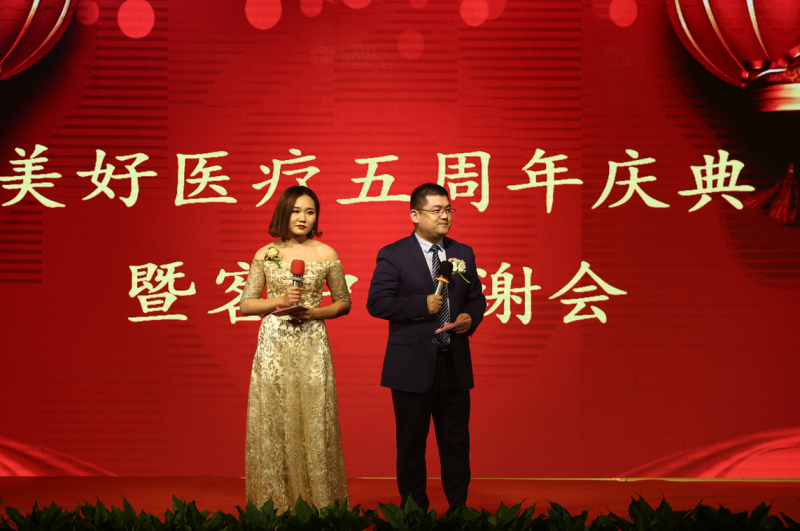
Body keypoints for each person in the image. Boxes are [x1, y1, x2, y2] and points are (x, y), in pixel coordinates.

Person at [367, 183, 486, 514]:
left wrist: (469, 316)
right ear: (415, 215)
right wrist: (422, 304)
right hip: (411, 367)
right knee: (411, 448)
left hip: (453, 363)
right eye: (436, 210)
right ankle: (414, 515)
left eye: (449, 209)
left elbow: (477, 297)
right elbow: (377, 302)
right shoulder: (393, 254)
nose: (445, 216)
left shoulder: (463, 252)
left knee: (456, 446)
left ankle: (459, 512)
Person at [239, 185, 351, 511]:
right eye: (296, 211)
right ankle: (274, 506)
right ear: (283, 213)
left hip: (312, 342)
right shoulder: (265, 254)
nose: (303, 218)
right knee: (274, 421)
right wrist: (278, 300)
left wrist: (316, 313)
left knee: (315, 419)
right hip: (273, 345)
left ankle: (319, 506)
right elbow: (246, 304)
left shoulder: (327, 253)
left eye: (310, 212)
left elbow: (344, 302)